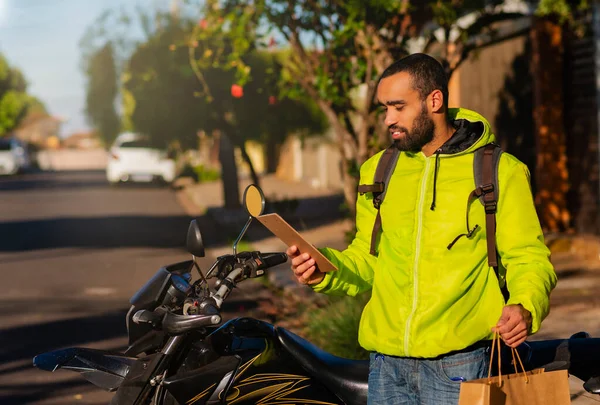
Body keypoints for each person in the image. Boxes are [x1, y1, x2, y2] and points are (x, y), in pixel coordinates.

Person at [286, 53, 557, 405]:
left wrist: (525, 305)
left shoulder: (499, 172)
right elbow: (367, 261)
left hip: (460, 365)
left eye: (399, 107)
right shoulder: (378, 171)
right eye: (384, 108)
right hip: (386, 367)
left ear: (435, 100)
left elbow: (529, 257)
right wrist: (322, 269)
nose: (388, 120)